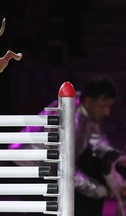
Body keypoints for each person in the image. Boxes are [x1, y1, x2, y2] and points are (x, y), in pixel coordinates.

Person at [10, 74, 123, 216]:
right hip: (28, 166)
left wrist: (117, 156)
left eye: (109, 107)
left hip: (54, 164)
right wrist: (100, 190)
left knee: (95, 167)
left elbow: (98, 141)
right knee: (48, 209)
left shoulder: (88, 109)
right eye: (104, 106)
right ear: (88, 102)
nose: (107, 112)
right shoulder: (69, 119)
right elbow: (66, 169)